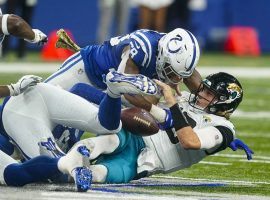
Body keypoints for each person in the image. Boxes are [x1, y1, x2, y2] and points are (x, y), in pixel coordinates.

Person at [69, 71, 253, 184]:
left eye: (209, 93)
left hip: (146, 161)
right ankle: (72, 148)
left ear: (224, 103)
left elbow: (190, 141)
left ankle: (80, 171)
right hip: (136, 133)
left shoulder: (224, 128)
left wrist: (172, 102)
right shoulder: (187, 99)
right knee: (108, 139)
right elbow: (160, 114)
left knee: (101, 174)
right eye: (204, 89)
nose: (201, 94)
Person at [0, 71, 158, 189]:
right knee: (108, 124)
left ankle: (70, 165)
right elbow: (80, 90)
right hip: (35, 92)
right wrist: (12, 88)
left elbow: (16, 173)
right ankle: (113, 92)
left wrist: (64, 162)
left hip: (19, 115)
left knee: (56, 172)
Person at [45, 28, 200, 97]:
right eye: (171, 71)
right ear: (162, 57)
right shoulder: (143, 49)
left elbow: (193, 79)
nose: (175, 78)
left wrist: (211, 102)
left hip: (104, 90)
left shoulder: (174, 54)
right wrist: (165, 108)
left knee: (66, 139)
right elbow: (127, 93)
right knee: (40, 98)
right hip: (86, 70)